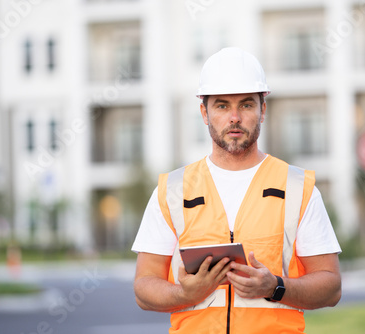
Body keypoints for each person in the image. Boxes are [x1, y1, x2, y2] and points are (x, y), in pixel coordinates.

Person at [132, 47, 342, 333]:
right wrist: (185, 295)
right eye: (221, 106)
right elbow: (143, 288)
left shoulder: (297, 188)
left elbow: (331, 287)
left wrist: (275, 287)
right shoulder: (172, 191)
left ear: (262, 110)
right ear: (204, 112)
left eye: (245, 105)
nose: (234, 117)